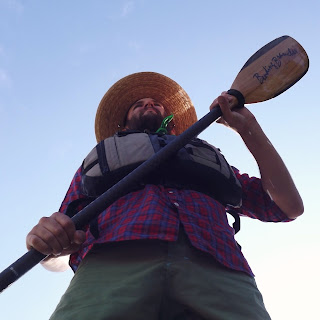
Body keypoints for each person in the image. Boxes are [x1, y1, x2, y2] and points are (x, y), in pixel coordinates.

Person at [26, 72, 303, 320]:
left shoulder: (207, 157)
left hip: (219, 267)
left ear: (171, 122)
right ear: (122, 127)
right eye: (138, 104)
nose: (149, 104)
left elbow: (288, 206)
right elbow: (59, 248)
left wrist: (248, 127)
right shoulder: (100, 161)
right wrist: (44, 242)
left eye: (156, 103)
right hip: (112, 265)